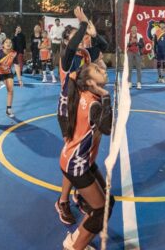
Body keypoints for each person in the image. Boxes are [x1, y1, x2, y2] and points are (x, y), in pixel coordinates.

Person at [55, 7, 108, 227]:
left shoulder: (86, 54)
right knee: (74, 153)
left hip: (87, 108)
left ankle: (80, 193)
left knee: (89, 150)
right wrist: (83, 22)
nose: (81, 38)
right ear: (66, 41)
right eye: (74, 36)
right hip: (70, 110)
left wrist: (93, 33)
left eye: (81, 36)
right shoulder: (67, 57)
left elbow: (104, 47)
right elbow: (76, 40)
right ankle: (63, 201)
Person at [60, 62, 114, 250]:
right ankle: (75, 248)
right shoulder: (94, 104)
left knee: (107, 202)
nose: (104, 70)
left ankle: (74, 239)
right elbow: (107, 128)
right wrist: (107, 97)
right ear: (90, 82)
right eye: (98, 71)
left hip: (80, 160)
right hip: (76, 164)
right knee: (100, 211)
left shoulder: (84, 94)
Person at [126, 25, 145, 89]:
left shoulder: (140, 36)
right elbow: (126, 45)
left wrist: (137, 42)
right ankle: (129, 82)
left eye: (135, 30)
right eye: (133, 29)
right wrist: (131, 42)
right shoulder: (127, 36)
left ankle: (139, 83)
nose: (134, 31)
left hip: (137, 53)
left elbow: (142, 45)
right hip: (130, 52)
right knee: (130, 68)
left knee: (138, 68)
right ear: (131, 30)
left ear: (137, 30)